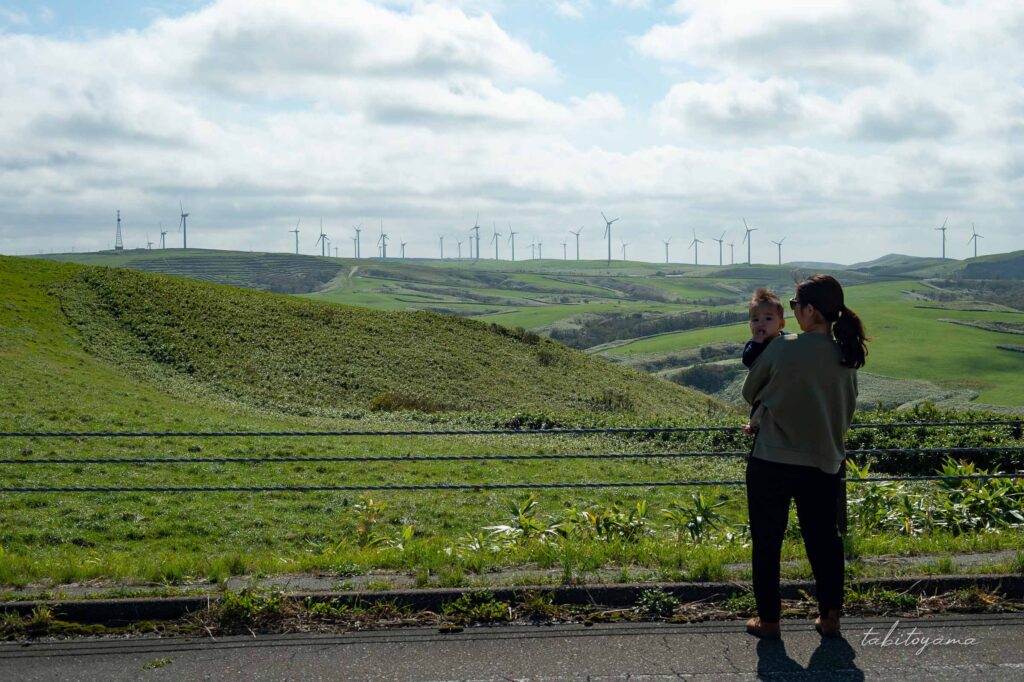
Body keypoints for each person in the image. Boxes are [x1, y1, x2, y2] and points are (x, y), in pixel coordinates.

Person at [740, 274, 867, 640]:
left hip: (772, 461)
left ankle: (769, 621)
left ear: (810, 310)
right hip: (824, 462)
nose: (794, 312)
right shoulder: (846, 353)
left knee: (768, 542)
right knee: (825, 543)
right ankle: (829, 618)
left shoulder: (783, 348)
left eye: (795, 306)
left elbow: (752, 390)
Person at [741, 288, 790, 435]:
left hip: (783, 388)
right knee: (760, 404)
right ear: (750, 325)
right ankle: (753, 425)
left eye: (768, 319)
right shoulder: (753, 344)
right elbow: (748, 360)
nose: (761, 323)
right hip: (763, 386)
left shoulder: (787, 339)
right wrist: (757, 342)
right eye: (755, 320)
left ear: (781, 323)